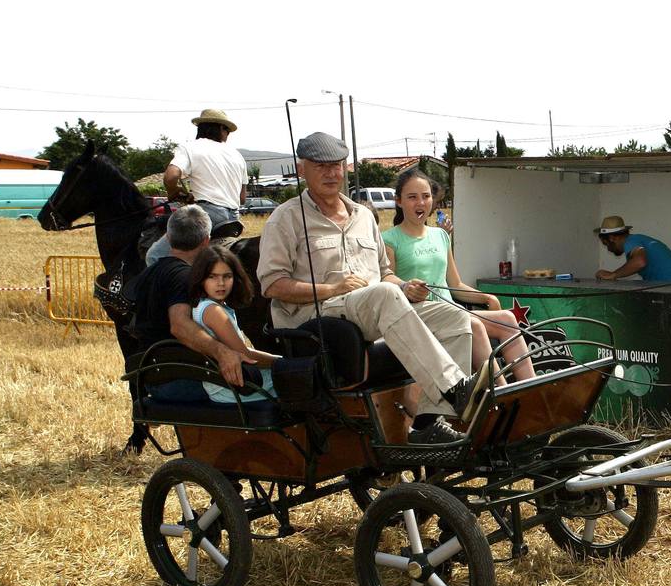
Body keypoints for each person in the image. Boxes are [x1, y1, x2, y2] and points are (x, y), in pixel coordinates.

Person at [258, 132, 478, 445]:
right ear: (301, 169)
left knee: (454, 317)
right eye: (320, 166)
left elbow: (385, 274)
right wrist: (330, 288)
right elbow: (272, 285)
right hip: (316, 321)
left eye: (336, 165)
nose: (331, 173)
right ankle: (455, 388)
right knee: (384, 295)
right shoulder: (286, 218)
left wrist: (405, 286)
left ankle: (428, 421)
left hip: (370, 310)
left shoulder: (363, 215)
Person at [383, 167, 535, 386]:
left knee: (508, 319)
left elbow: (455, 284)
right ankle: (503, 393)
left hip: (451, 311)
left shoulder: (440, 235)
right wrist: (407, 287)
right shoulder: (389, 239)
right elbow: (387, 282)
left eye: (426, 196)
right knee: (474, 324)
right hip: (419, 317)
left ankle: (530, 389)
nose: (421, 203)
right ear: (399, 201)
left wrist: (486, 297)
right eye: (412, 197)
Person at [127, 205, 256, 402]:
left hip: (152, 375)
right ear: (206, 241)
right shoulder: (184, 277)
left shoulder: (149, 273)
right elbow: (179, 325)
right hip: (180, 378)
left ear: (169, 238)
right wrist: (222, 352)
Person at [149, 108, 248, 265]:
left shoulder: (190, 148)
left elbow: (170, 177)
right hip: (234, 220)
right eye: (227, 130)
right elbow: (242, 198)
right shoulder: (237, 156)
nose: (228, 134)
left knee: (154, 255)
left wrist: (174, 193)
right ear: (219, 128)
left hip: (206, 215)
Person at [189, 244, 277, 404]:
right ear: (201, 279)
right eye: (212, 277)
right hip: (232, 387)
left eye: (227, 276)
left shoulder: (210, 305)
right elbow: (246, 355)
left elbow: (241, 349)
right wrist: (282, 362)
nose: (221, 283)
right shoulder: (212, 310)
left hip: (231, 383)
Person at [593, 215, 671, 281]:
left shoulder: (631, 241)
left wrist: (613, 275)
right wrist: (612, 274)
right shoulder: (639, 239)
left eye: (606, 244)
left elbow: (640, 262)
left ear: (612, 238)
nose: (609, 249)